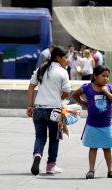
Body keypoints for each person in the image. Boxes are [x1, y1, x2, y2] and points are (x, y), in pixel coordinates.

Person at [27, 46, 71, 175]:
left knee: (40, 137)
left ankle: (37, 155)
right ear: (58, 58)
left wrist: (30, 106)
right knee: (54, 138)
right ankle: (51, 166)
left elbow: (31, 87)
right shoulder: (62, 72)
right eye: (66, 57)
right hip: (54, 110)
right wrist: (58, 99)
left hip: (39, 108)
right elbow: (67, 92)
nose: (67, 60)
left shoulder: (41, 69)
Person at [72, 65, 112, 179]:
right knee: (93, 147)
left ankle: (110, 171)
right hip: (92, 124)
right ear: (95, 76)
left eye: (107, 76)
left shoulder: (109, 87)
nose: (106, 79)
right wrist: (85, 103)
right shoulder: (87, 87)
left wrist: (107, 92)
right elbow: (75, 94)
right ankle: (91, 170)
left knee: (107, 148)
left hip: (106, 124)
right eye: (103, 76)